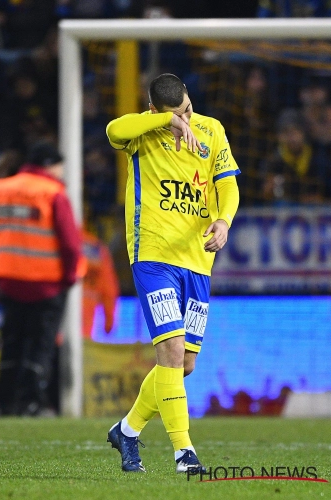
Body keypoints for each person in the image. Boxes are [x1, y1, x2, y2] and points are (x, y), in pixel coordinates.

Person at [105, 73, 240, 474]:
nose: (186, 118)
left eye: (187, 109)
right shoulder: (142, 133)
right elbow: (115, 129)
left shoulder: (211, 130)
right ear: (155, 111)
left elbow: (227, 184)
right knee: (170, 350)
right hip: (153, 254)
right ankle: (185, 453)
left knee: (184, 365)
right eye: (177, 114)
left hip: (197, 259)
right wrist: (164, 122)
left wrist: (223, 220)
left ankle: (127, 431)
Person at [0, 142, 83, 416]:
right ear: (51, 165)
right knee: (40, 347)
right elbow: (71, 243)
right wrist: (69, 278)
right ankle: (32, 403)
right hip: (47, 285)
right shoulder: (53, 193)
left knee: (10, 344)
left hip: (9, 284)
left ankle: (3, 402)